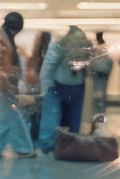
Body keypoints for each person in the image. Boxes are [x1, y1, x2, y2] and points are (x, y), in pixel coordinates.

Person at [0, 12, 36, 159]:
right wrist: (7, 79)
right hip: (3, 84)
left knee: (9, 118)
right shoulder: (1, 39)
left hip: (4, 84)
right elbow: (0, 65)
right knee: (10, 118)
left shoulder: (2, 36)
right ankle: (22, 149)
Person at [37, 25, 91, 153]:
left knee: (53, 119)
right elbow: (48, 69)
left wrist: (47, 89)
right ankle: (67, 145)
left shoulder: (60, 46)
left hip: (61, 87)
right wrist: (47, 88)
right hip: (71, 87)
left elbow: (47, 68)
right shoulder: (80, 48)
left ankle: (50, 146)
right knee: (70, 119)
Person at [90, 30, 114, 114]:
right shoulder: (105, 47)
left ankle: (97, 107)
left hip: (97, 70)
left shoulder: (95, 48)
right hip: (104, 71)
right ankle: (102, 107)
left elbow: (92, 59)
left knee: (96, 90)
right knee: (103, 90)